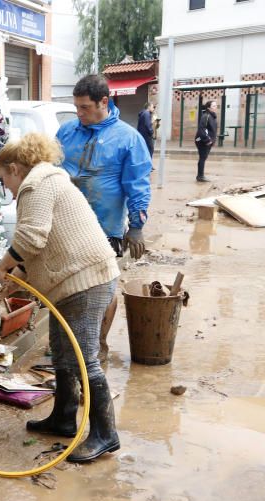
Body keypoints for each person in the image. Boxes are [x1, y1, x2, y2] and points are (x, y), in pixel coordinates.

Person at [0, 133, 121, 463]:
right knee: (61, 352)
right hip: (73, 281)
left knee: (82, 358)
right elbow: (36, 258)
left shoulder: (36, 184)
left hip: (85, 281)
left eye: (4, 180)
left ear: (15, 169)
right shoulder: (45, 182)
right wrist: (4, 288)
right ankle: (63, 418)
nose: (7, 189)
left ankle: (105, 434)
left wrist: (0, 269)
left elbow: (31, 238)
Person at [57, 74, 152, 357]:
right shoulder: (67, 132)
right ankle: (68, 344)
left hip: (104, 227)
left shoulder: (129, 139)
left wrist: (136, 227)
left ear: (104, 102)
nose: (79, 113)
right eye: (76, 107)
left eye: (85, 107)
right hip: (65, 223)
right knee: (67, 285)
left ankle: (98, 343)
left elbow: (137, 185)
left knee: (103, 287)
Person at [195, 100, 218, 183]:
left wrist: (213, 140)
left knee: (203, 158)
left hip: (207, 141)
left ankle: (200, 175)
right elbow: (202, 129)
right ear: (209, 108)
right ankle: (200, 176)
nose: (216, 107)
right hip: (202, 141)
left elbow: (211, 130)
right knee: (202, 157)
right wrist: (208, 140)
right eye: (214, 106)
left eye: (216, 106)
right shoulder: (206, 116)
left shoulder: (212, 116)